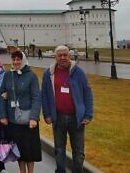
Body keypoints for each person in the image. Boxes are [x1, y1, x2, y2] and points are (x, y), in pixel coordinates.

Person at [41, 45, 93, 173]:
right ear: (55, 57)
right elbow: (45, 95)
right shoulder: (48, 74)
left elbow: (87, 93)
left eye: (65, 55)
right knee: (59, 149)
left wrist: (88, 114)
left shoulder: (79, 72)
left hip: (77, 117)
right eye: (60, 55)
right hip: (58, 117)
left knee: (78, 151)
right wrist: (47, 114)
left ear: (69, 56)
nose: (63, 58)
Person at [0, 50, 42, 173]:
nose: (16, 62)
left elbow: (36, 97)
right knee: (19, 149)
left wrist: (34, 117)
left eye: (18, 59)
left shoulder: (31, 76)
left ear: (23, 60)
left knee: (30, 150)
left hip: (28, 119)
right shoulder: (8, 75)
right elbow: (1, 95)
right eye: (14, 59)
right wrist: (3, 115)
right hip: (13, 119)